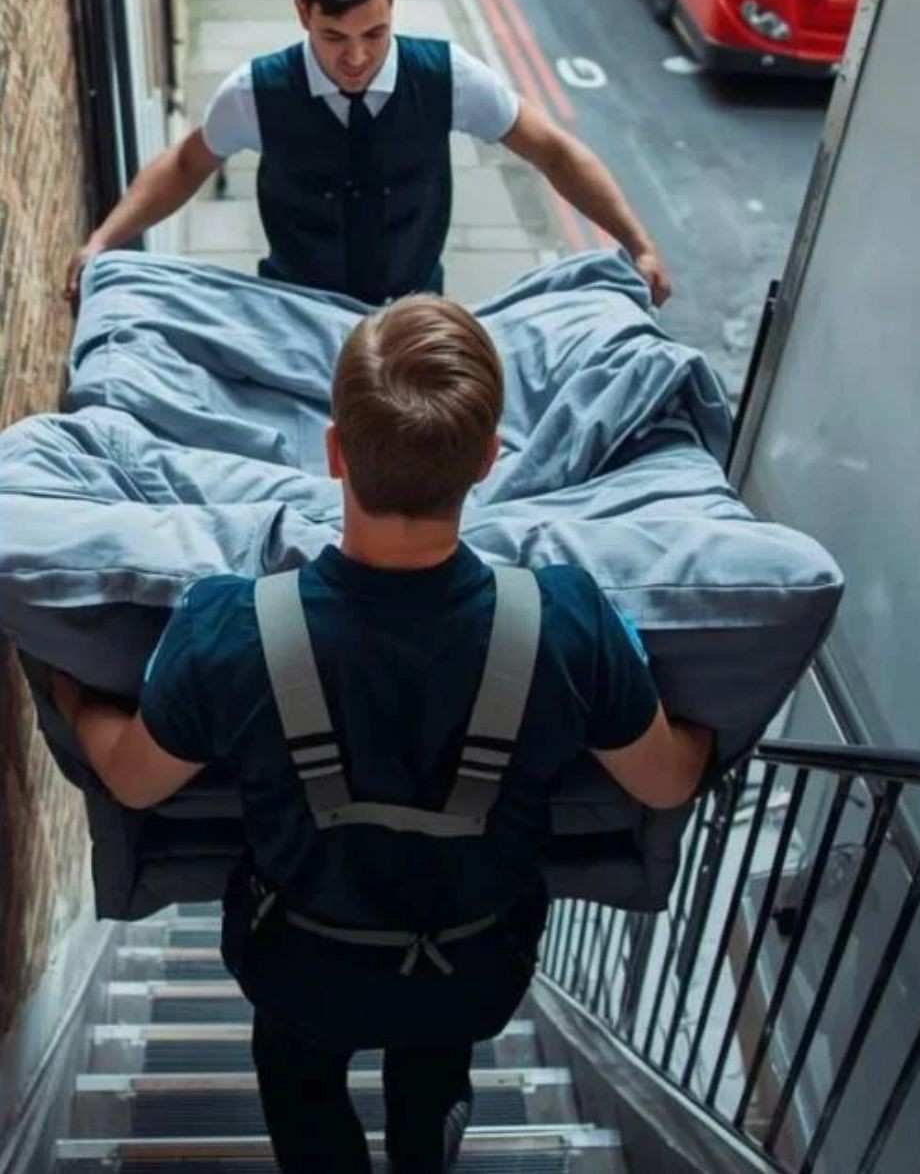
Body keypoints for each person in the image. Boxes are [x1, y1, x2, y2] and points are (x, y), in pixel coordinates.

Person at [50, 295, 710, 1173]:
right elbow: (666, 783)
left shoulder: (232, 629)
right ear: (487, 460)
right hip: (473, 966)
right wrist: (707, 734)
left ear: (332, 452)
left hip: (301, 964)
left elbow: (132, 781)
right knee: (434, 1064)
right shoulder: (569, 624)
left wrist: (74, 699)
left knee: (299, 1082)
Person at [63, 0, 670, 308]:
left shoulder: (446, 77)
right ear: (303, 14)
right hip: (294, 312)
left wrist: (636, 243)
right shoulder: (256, 92)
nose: (355, 57)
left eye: (374, 34)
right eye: (334, 37)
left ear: (393, 11)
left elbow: (555, 152)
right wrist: (103, 242)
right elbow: (187, 162)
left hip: (412, 313)